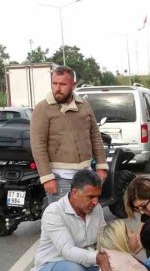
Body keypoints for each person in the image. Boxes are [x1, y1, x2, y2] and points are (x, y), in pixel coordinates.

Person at [30, 65, 108, 204]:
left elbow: (95, 137)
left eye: (63, 84)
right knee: (63, 220)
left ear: (73, 85)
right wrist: (47, 177)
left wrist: (101, 166)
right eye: (54, 83)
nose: (57, 88)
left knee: (87, 217)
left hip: (86, 174)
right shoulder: (42, 109)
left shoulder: (84, 105)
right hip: (60, 177)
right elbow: (38, 145)